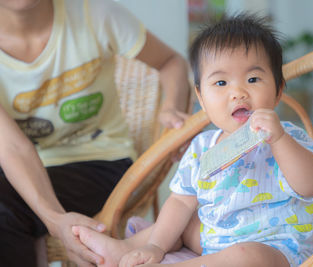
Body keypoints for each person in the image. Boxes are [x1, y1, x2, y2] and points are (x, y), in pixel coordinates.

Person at [73, 14, 313, 267]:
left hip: (279, 248)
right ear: (202, 99)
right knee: (181, 221)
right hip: (216, 240)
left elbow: (311, 185)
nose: (238, 93)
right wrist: (157, 246)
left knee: (246, 256)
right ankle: (125, 249)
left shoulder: (289, 136)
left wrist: (280, 140)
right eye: (221, 82)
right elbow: (180, 201)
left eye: (253, 79)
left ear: (277, 92)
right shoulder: (202, 147)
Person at [0, 0, 190, 266]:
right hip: (21, 167)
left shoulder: (95, 14)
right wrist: (55, 220)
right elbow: (12, 148)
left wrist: (171, 108)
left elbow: (172, 61)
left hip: (100, 160)